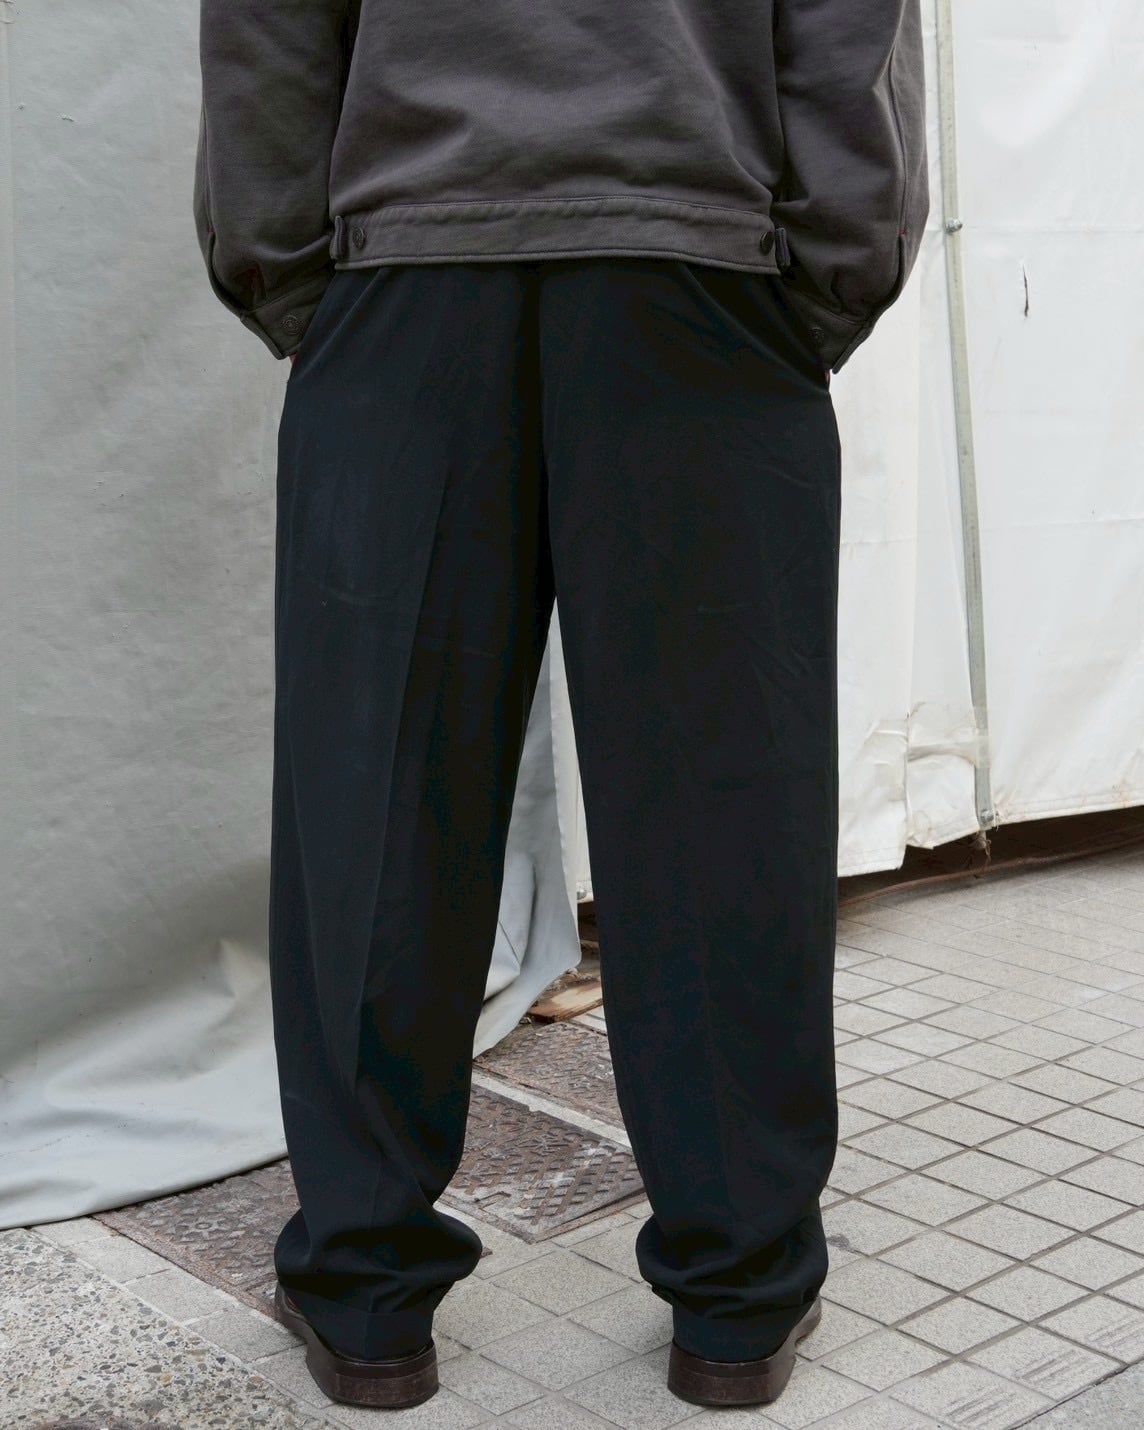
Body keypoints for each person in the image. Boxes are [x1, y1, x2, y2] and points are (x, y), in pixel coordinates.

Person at [194, 0, 928, 1411]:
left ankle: (365, 1291)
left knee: (376, 802)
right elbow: (851, 31)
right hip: (697, 273)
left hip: (410, 275)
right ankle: (737, 1297)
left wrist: (297, 277)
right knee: (724, 804)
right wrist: (824, 279)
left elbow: (270, 28)